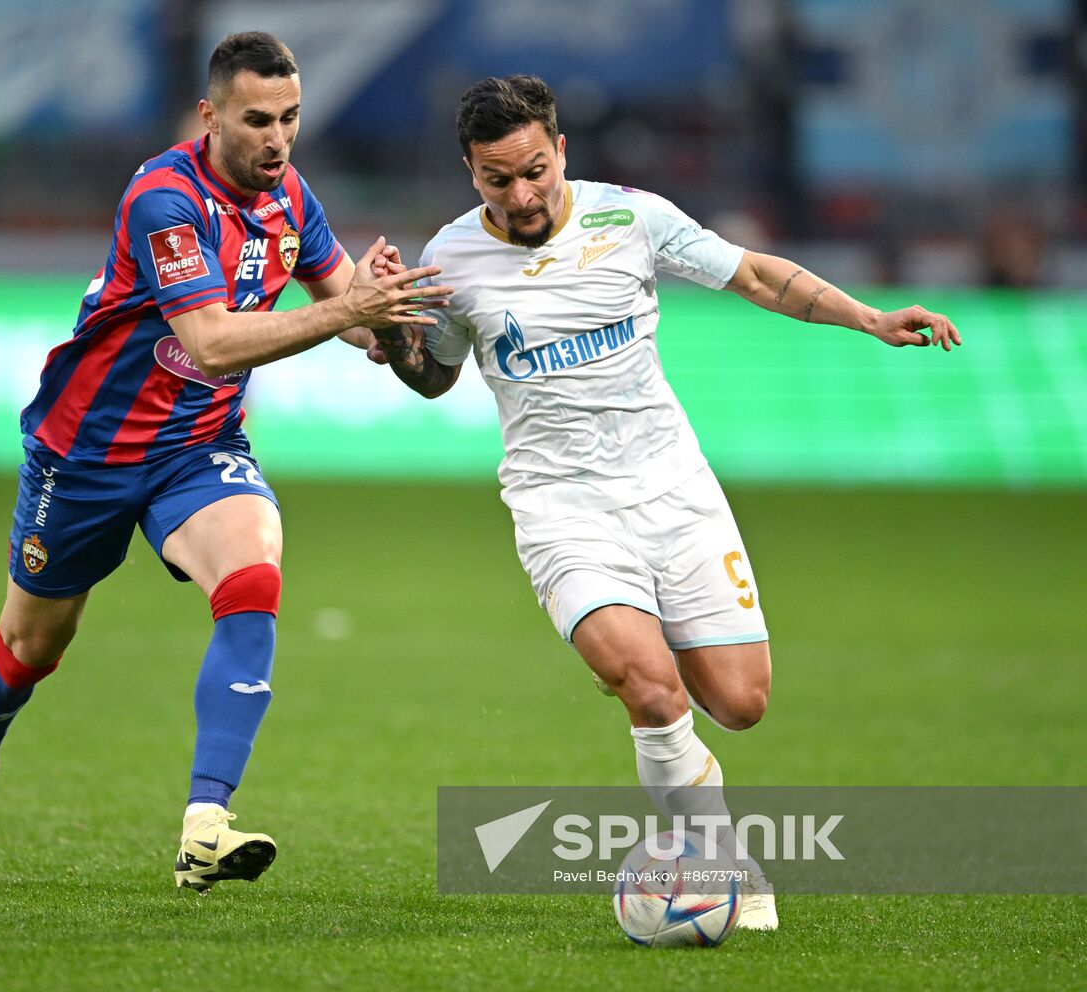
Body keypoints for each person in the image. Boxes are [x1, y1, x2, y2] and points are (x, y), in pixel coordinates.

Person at [368, 75, 960, 930]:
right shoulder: (451, 258)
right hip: (558, 503)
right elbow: (433, 378)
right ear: (471, 172)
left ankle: (691, 774)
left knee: (741, 703)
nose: (523, 193)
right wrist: (392, 332)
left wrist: (867, 319)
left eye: (536, 169)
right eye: (499, 180)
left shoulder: (632, 216)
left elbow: (753, 273)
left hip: (672, 488)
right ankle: (717, 860)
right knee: (648, 687)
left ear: (561, 149)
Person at [0, 32, 449, 892]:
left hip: (198, 449)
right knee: (29, 647)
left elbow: (348, 313)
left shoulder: (291, 198)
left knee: (254, 572)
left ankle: (205, 823)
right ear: (210, 116)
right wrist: (349, 309)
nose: (276, 140)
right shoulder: (163, 198)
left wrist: (387, 314)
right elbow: (207, 342)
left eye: (289, 119)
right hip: (86, 453)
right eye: (256, 120)